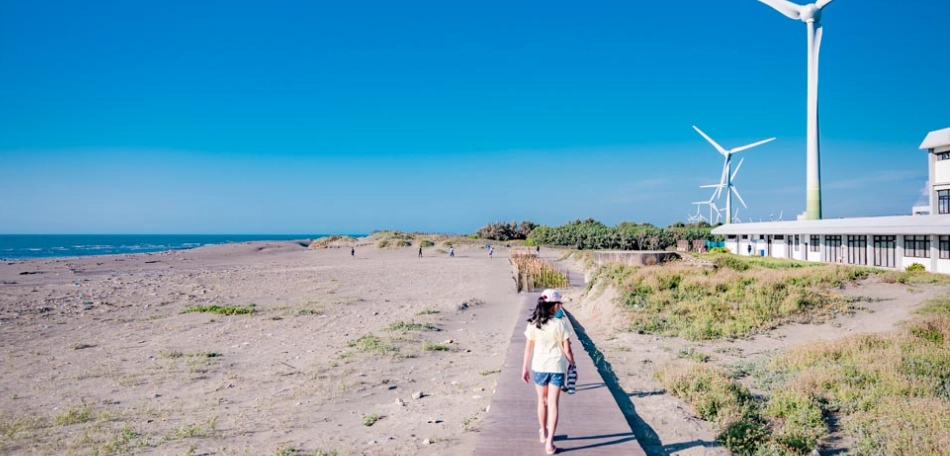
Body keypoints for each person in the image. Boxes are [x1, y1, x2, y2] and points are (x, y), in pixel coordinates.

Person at [522, 289, 575, 455]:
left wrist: (524, 367)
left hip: (539, 366)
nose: (560, 306)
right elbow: (567, 350)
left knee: (542, 401)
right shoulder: (560, 324)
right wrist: (573, 365)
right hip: (557, 367)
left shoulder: (533, 323)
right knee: (553, 404)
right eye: (559, 304)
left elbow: (528, 348)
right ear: (554, 305)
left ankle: (543, 432)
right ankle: (550, 443)